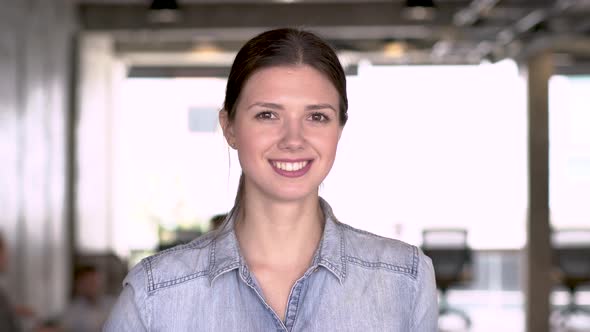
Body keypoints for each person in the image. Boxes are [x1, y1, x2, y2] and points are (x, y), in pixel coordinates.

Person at [104, 27, 437, 331]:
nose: (293, 139)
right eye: (267, 115)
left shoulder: (405, 280)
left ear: (339, 130)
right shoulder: (154, 295)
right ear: (229, 127)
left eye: (317, 116)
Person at [61, 265, 114, 332]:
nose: (92, 286)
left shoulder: (113, 304)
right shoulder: (72, 311)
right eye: (87, 282)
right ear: (78, 285)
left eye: (94, 281)